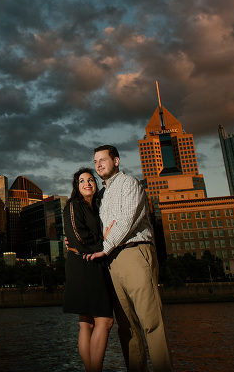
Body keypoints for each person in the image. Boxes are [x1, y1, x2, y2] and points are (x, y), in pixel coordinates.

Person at [85, 145, 172, 372]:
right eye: (95, 161)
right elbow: (101, 229)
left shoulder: (130, 184)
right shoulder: (102, 195)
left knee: (151, 322)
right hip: (112, 260)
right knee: (126, 327)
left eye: (103, 160)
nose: (98, 165)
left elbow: (125, 221)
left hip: (134, 252)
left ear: (116, 161)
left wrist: (105, 245)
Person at [63, 167, 115, 372]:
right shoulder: (73, 205)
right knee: (105, 320)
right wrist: (104, 243)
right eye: (82, 180)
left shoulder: (95, 206)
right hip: (84, 264)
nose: (87, 183)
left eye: (90, 180)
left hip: (91, 262)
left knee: (86, 323)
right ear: (76, 187)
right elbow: (77, 237)